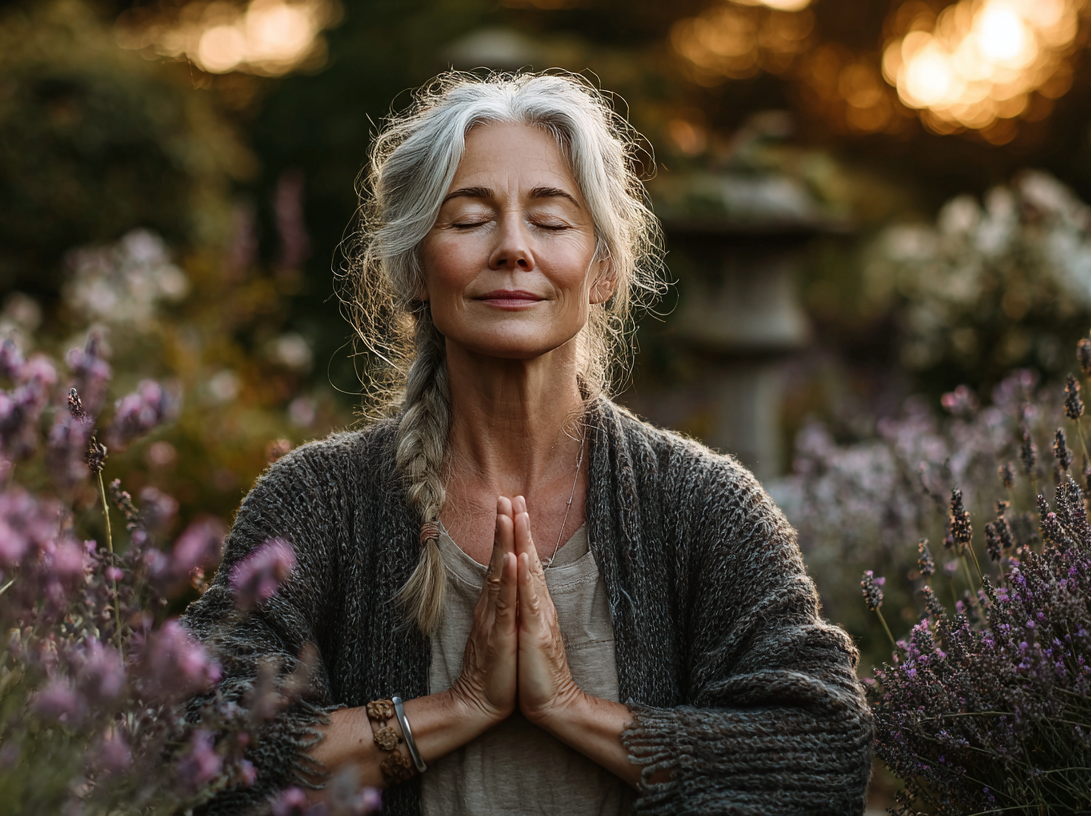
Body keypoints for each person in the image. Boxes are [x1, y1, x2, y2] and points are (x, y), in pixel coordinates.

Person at [182, 71, 873, 816]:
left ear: (603, 269)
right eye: (470, 218)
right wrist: (457, 708)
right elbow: (199, 738)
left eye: (550, 220)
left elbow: (823, 749)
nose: (513, 248)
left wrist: (570, 708)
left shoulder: (702, 504)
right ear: (415, 266)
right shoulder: (318, 502)